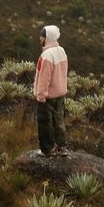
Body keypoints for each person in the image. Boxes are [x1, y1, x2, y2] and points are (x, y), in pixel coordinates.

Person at [33, 24, 69, 155]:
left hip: (48, 96)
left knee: (45, 121)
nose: (40, 38)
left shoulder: (46, 55)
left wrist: (40, 96)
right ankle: (62, 146)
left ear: (48, 38)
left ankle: (48, 149)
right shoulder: (61, 51)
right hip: (60, 93)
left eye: (43, 36)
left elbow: (44, 78)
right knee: (59, 120)